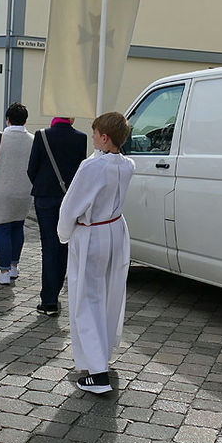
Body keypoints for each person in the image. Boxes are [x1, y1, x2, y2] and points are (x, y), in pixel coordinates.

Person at [56, 112, 135, 394]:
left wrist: (64, 234)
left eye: (94, 134)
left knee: (86, 299)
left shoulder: (92, 167)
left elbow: (71, 205)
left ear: (104, 138)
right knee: (109, 294)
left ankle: (97, 371)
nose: (91, 138)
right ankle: (101, 354)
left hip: (92, 234)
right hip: (115, 231)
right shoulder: (127, 165)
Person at [27, 115, 88, 316]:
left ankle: (49, 300)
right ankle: (56, 291)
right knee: (64, 243)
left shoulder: (42, 135)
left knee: (49, 245)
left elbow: (31, 168)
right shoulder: (81, 137)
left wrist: (43, 184)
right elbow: (81, 170)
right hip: (69, 198)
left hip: (45, 196)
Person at [0, 102, 35, 285]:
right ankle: (14, 266)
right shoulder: (33, 140)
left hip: (0, 191)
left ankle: (4, 271)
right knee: (18, 227)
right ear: (26, 120)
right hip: (24, 191)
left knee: (2, 229)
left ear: (7, 120)